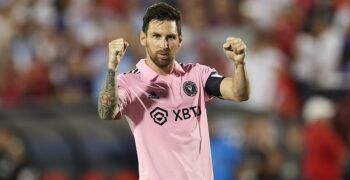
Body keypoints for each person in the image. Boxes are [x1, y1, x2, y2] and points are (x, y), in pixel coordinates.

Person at [97, 2, 250, 179]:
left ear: (180, 39)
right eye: (156, 36)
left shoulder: (197, 74)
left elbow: (239, 93)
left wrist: (239, 64)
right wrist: (111, 69)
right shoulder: (130, 82)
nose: (164, 44)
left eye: (170, 37)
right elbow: (106, 112)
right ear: (143, 38)